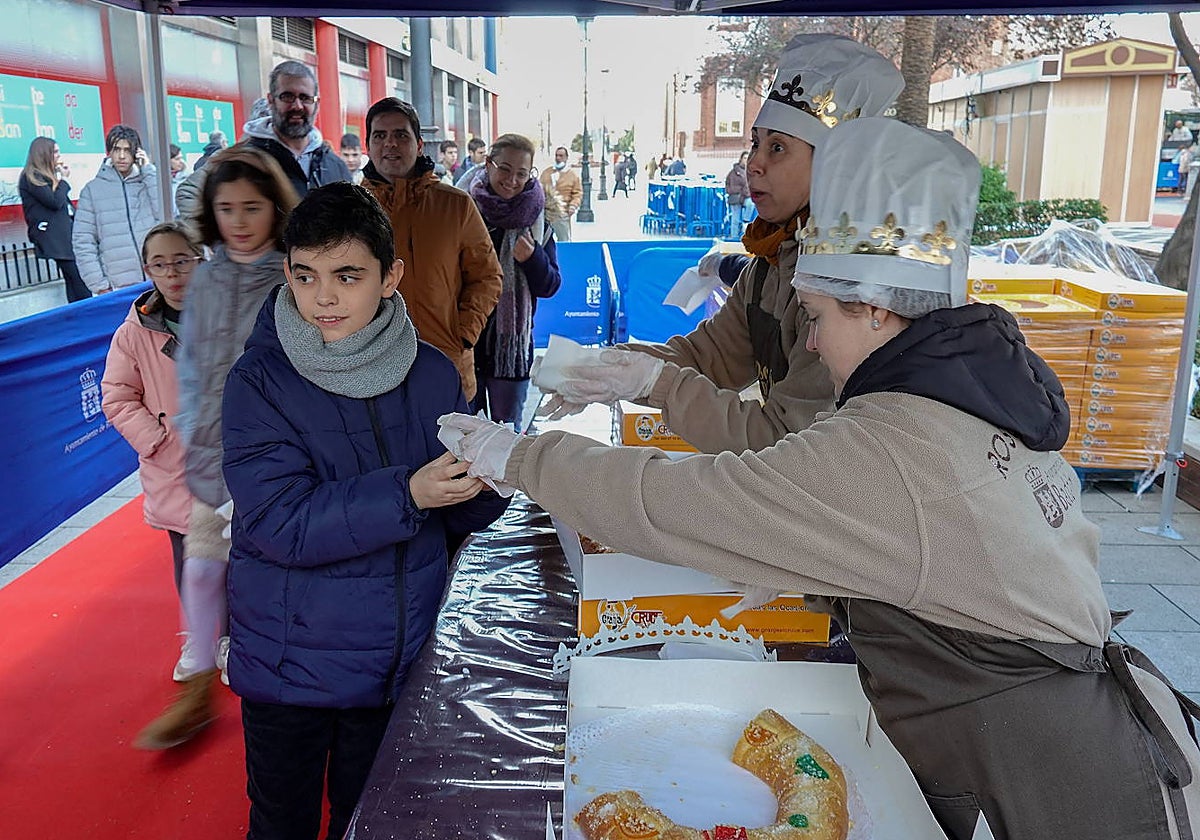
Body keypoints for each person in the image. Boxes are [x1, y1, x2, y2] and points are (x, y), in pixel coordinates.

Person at [441, 116, 1200, 840]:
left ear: (873, 311)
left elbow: (681, 503)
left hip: (1056, 785)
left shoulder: (892, 437)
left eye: (817, 317)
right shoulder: (974, 389)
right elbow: (957, 557)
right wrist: (830, 572)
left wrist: (521, 458)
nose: (808, 338)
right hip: (1062, 736)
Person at [222, 182, 509, 840]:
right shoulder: (259, 383)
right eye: (305, 275)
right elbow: (277, 523)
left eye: (347, 275)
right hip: (290, 666)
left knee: (372, 822)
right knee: (282, 826)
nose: (323, 297)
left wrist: (492, 476)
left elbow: (454, 519)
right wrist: (407, 493)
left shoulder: (433, 374)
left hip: (394, 668)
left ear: (390, 277)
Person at [539, 34, 905, 456]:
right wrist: (597, 367)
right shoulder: (767, 264)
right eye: (756, 143)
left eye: (778, 147)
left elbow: (785, 441)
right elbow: (711, 356)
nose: (754, 163)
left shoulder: (847, 285)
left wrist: (652, 382)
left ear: (833, 167)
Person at [144, 146, 298, 745]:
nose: (238, 220)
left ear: (273, 208)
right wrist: (193, 438)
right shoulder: (205, 278)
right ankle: (200, 686)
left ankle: (282, 683)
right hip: (213, 453)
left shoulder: (292, 275)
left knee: (272, 578)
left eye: (252, 207)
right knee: (204, 570)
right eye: (226, 207)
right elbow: (194, 370)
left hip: (275, 459)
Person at [100, 222, 205, 747]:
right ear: (147, 271)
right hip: (174, 470)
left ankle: (235, 638)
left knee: (244, 553)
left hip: (233, 462)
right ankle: (200, 638)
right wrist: (158, 439)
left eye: (182, 260)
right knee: (189, 556)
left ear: (200, 260)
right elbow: (117, 395)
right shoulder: (135, 330)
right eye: (160, 264)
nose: (172, 273)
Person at [361, 96, 502, 403]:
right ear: (368, 146)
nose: (390, 144)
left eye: (401, 135)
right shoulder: (350, 208)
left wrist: (463, 334)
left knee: (451, 450)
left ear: (420, 144)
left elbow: (487, 277)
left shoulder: (455, 205)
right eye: (380, 136)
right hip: (370, 371)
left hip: (445, 364)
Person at [467, 133, 562, 427]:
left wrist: (532, 258)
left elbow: (550, 285)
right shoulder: (461, 211)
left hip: (510, 349)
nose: (512, 180)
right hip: (464, 341)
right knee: (462, 433)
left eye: (521, 173)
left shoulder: (537, 220)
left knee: (506, 436)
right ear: (488, 164)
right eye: (504, 169)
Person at [73, 124, 161, 294]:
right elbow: (83, 241)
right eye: (116, 149)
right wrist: (99, 285)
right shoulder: (92, 190)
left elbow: (168, 215)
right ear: (109, 152)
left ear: (136, 152)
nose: (121, 156)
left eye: (127, 150)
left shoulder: (148, 182)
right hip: (119, 287)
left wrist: (149, 171)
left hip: (158, 278)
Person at [243, 60, 352, 198]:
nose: (297, 106)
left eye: (305, 98)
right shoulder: (246, 163)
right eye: (287, 97)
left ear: (316, 104)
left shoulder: (336, 167)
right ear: (271, 101)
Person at [18, 136, 90, 302]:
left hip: (63, 235)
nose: (59, 155)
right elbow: (55, 202)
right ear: (45, 154)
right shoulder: (32, 177)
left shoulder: (46, 176)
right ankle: (84, 313)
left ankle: (77, 313)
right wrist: (63, 179)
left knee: (74, 279)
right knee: (76, 277)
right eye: (55, 152)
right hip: (54, 238)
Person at [538, 146, 582, 243]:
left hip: (562, 213)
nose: (558, 158)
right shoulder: (547, 172)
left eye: (561, 156)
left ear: (566, 157)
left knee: (564, 239)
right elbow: (539, 188)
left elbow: (577, 193)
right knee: (542, 239)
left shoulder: (572, 175)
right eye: (557, 155)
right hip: (546, 212)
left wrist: (573, 206)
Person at [724, 150, 750, 239]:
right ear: (741, 159)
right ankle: (734, 237)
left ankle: (745, 221)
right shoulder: (733, 172)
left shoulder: (751, 171)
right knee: (735, 218)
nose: (746, 160)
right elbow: (727, 183)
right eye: (744, 158)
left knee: (751, 203)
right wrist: (731, 190)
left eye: (747, 158)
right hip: (735, 197)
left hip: (746, 196)